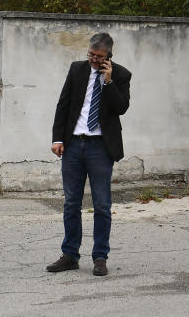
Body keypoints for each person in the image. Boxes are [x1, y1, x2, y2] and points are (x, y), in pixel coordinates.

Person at [46, 32, 131, 277]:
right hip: (73, 145)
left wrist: (108, 82)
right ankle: (70, 254)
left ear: (109, 56)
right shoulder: (76, 70)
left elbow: (121, 108)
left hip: (100, 148)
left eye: (99, 57)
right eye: (91, 55)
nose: (94, 60)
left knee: (102, 205)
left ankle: (100, 257)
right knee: (71, 202)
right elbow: (63, 105)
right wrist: (58, 138)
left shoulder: (121, 75)